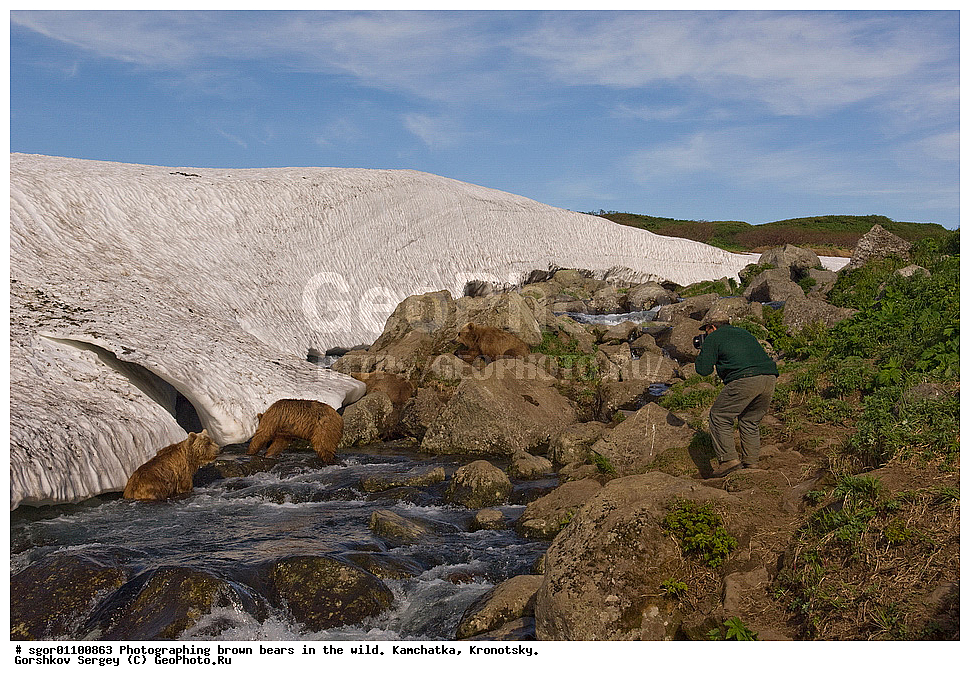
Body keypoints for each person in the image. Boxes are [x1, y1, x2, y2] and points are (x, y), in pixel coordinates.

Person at [694, 320, 778, 477]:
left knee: (719, 416)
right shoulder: (744, 333)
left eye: (706, 331)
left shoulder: (714, 336)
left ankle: (728, 461)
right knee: (749, 421)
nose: (705, 335)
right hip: (769, 378)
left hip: (745, 380)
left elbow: (703, 369)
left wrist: (704, 348)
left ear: (711, 327)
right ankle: (751, 463)